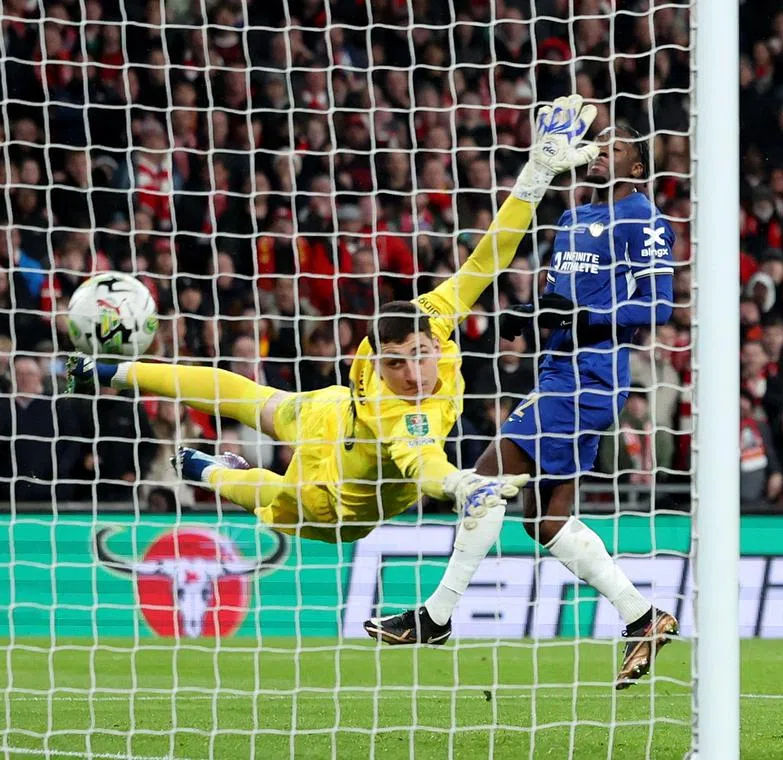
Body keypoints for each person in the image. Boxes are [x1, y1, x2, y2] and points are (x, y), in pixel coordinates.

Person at [65, 96, 600, 545]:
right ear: (376, 360)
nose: (413, 375)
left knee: (275, 493)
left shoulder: (427, 337)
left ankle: (209, 471)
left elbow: (488, 258)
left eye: (418, 357)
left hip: (337, 499)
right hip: (338, 438)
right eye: (395, 365)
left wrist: (537, 170)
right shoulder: (406, 402)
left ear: (432, 339)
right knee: (251, 399)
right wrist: (461, 485)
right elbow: (425, 463)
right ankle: (113, 371)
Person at [374, 121, 678, 690]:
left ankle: (436, 617)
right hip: (557, 367)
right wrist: (532, 314)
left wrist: (581, 319)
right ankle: (644, 617)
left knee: (486, 478)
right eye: (598, 144)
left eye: (616, 148)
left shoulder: (643, 219)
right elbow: (562, 298)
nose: (599, 153)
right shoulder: (572, 218)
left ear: (637, 168)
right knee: (545, 519)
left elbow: (658, 306)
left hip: (592, 373)